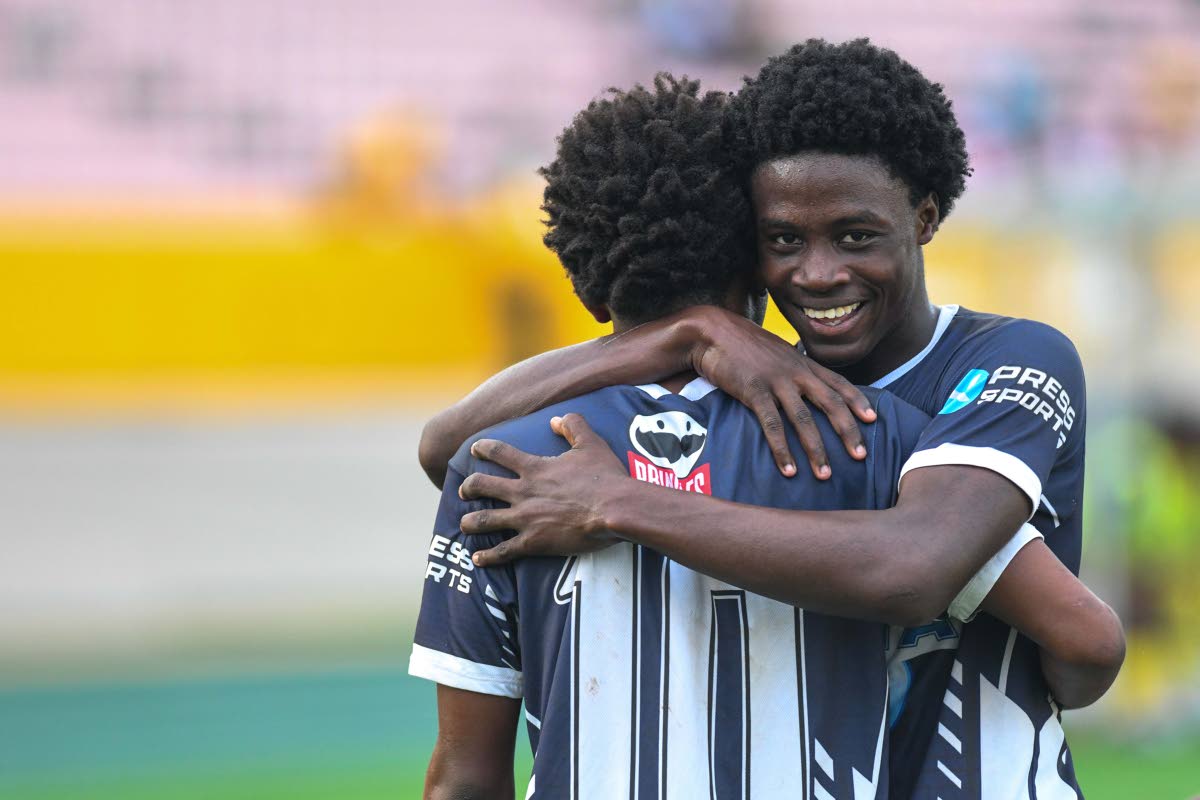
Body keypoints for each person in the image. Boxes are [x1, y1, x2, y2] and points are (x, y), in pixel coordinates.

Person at [422, 40, 1125, 798]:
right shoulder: (779, 394)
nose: (819, 274)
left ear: (923, 218)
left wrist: (615, 503)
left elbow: (915, 566)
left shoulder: (1008, 360)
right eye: (783, 241)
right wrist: (684, 334)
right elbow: (449, 447)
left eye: (856, 235)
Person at [412, 74, 942, 800]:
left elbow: (464, 780)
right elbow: (1081, 645)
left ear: (586, 287)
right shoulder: (877, 436)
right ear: (755, 253)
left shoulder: (503, 466)